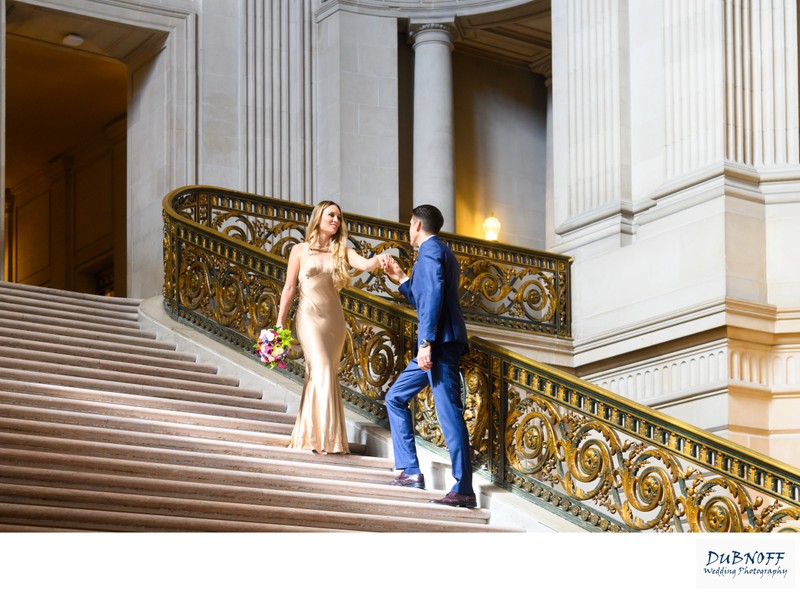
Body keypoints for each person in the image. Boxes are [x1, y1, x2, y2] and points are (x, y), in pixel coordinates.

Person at [381, 204, 476, 508]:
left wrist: (426, 343)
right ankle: (410, 471)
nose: (409, 230)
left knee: (449, 415)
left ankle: (463, 489)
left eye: (410, 225)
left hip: (439, 345)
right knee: (395, 397)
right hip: (436, 343)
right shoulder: (435, 252)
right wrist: (401, 279)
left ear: (417, 225)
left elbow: (434, 296)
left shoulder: (432, 250)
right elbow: (424, 297)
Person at [276, 200, 386, 454]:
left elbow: (366, 265)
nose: (336, 220)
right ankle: (325, 437)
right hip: (309, 317)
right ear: (319, 218)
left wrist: (380, 259)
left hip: (334, 320)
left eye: (339, 217)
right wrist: (280, 322)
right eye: (331, 215)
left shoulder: (342, 251)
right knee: (321, 367)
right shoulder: (299, 250)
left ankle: (312, 435)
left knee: (322, 373)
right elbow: (290, 288)